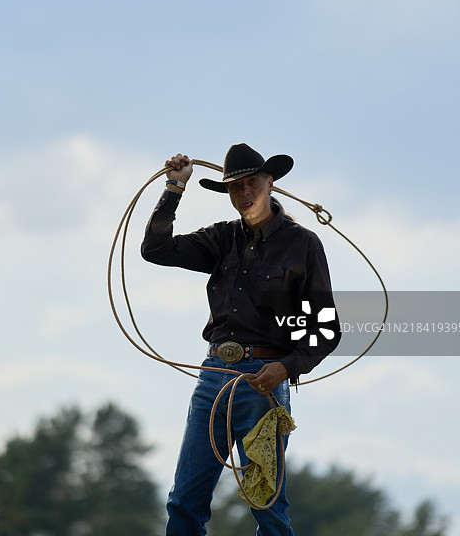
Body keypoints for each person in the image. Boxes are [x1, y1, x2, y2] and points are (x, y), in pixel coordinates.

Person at [141, 143, 341, 536]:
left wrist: (285, 367)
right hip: (213, 375)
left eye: (252, 183)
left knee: (268, 505)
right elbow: (156, 249)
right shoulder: (221, 239)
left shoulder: (303, 244)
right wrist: (174, 188)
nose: (245, 194)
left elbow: (326, 330)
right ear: (228, 193)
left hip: (265, 382)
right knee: (184, 500)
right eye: (236, 188)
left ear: (270, 182)